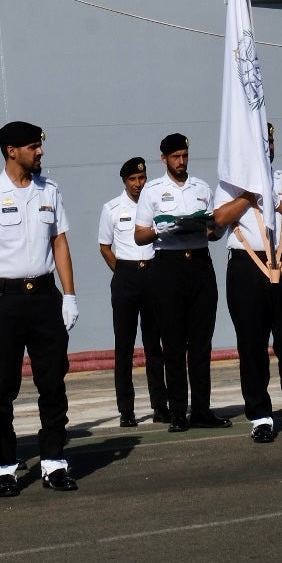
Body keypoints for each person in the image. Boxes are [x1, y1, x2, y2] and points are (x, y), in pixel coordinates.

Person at [0, 120, 80, 496]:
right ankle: (3, 464)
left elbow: (60, 243)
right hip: (4, 301)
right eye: (33, 146)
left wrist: (69, 294)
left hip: (45, 298)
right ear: (12, 151)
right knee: (1, 388)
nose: (40, 151)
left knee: (51, 382)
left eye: (39, 145)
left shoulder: (50, 191)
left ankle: (53, 461)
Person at [213, 122, 282, 443]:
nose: (267, 147)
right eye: (261, 142)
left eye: (270, 141)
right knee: (252, 347)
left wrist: (277, 202)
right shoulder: (230, 185)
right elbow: (217, 223)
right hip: (247, 269)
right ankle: (261, 416)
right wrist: (249, 196)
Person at [135, 134, 230, 431]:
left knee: (201, 344)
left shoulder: (201, 187)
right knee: (173, 345)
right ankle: (178, 413)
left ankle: (201, 410)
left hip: (199, 263)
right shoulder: (152, 190)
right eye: (175, 157)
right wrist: (162, 230)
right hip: (167, 266)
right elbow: (139, 235)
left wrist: (212, 229)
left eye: (184, 155)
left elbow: (214, 231)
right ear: (163, 159)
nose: (181, 161)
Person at [99, 156, 169, 428]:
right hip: (126, 275)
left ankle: (160, 405)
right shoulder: (112, 208)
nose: (138, 184)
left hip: (153, 272)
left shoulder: (156, 205)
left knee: (154, 345)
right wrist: (121, 272)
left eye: (142, 178)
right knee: (124, 347)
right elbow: (105, 246)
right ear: (124, 181)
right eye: (133, 179)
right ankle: (126, 409)